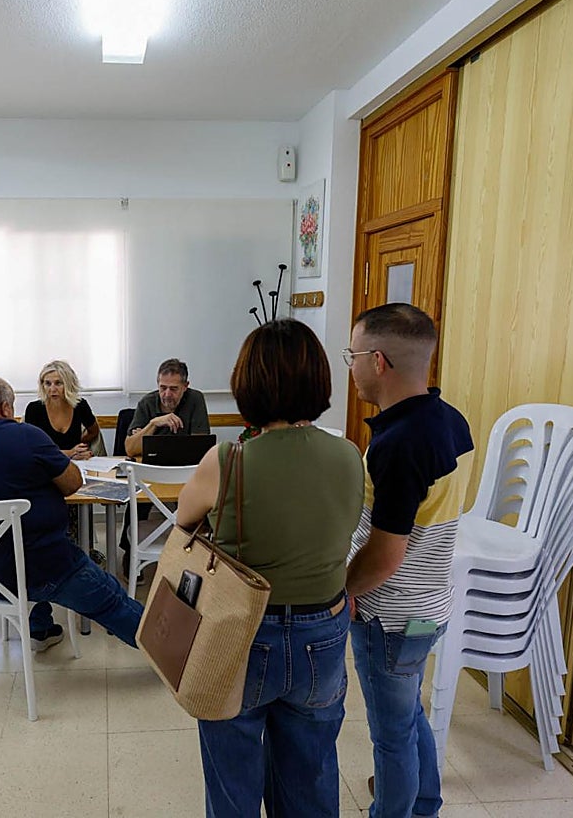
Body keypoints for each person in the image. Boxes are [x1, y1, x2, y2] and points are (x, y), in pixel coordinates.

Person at [176, 320, 365, 817]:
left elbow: (183, 521)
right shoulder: (350, 456)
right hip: (322, 631)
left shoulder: (227, 459)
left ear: (247, 384)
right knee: (311, 772)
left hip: (240, 632)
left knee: (232, 777)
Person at [343, 304, 475, 818]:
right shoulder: (450, 420)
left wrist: (345, 590)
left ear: (377, 361)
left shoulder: (399, 445)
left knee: (391, 735)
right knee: (408, 714)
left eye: (352, 355)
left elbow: (385, 553)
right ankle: (425, 804)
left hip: (390, 615)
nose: (349, 366)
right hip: (430, 605)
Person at [0, 376, 143, 651]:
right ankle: (178, 655)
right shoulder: (25, 436)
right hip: (40, 570)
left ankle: (41, 630)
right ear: (5, 408)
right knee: (110, 595)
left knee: (21, 537)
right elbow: (73, 483)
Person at [123, 358, 210, 458]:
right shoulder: (146, 403)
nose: (167, 394)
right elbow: (130, 450)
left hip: (183, 465)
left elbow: (200, 447)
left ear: (185, 386)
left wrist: (146, 438)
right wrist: (153, 424)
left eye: (173, 389)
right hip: (152, 465)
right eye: (163, 388)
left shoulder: (195, 399)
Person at [24, 360, 101, 461]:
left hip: (76, 463)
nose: (52, 389)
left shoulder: (80, 405)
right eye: (47, 383)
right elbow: (32, 448)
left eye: (58, 383)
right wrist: (70, 453)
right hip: (44, 464)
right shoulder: (34, 409)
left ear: (69, 384)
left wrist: (80, 448)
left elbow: (94, 431)